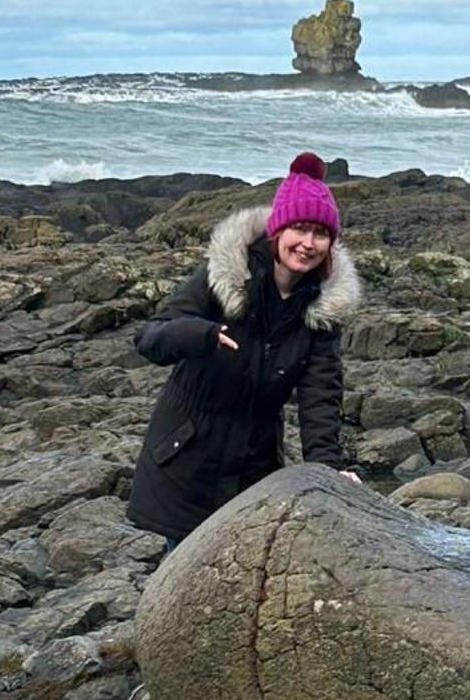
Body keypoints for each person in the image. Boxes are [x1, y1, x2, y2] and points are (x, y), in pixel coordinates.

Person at [127, 152, 362, 546]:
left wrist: (328, 472)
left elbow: (319, 398)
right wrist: (200, 335)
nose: (307, 243)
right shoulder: (223, 276)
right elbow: (150, 338)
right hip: (188, 455)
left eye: (320, 234)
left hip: (253, 467)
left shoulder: (323, 308)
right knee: (182, 572)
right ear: (278, 231)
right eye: (299, 229)